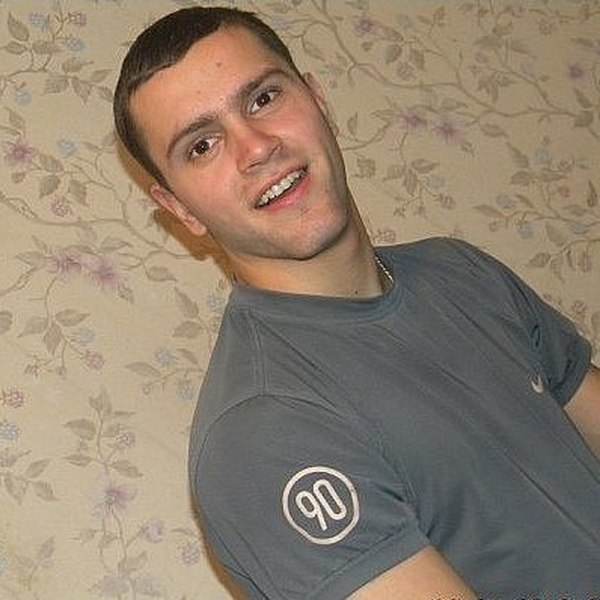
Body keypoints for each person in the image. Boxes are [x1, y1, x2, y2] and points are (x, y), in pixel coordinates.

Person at [113, 7, 600, 599]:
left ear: (318, 100)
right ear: (180, 210)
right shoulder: (261, 435)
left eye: (263, 99)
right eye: (203, 145)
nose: (256, 147)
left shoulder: (461, 271)